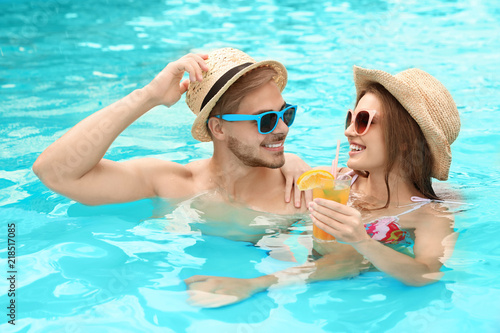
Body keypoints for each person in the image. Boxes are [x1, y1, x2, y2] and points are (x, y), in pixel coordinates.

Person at [184, 65, 461, 308]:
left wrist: (362, 241)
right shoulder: (337, 182)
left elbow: (426, 274)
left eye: (364, 121)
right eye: (351, 118)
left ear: (405, 141)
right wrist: (289, 160)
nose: (349, 131)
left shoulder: (429, 216)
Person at [32, 47, 310, 214]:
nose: (283, 128)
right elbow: (55, 173)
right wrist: (148, 96)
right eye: (265, 120)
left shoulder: (302, 192)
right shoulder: (174, 185)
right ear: (218, 128)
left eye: (286, 113)